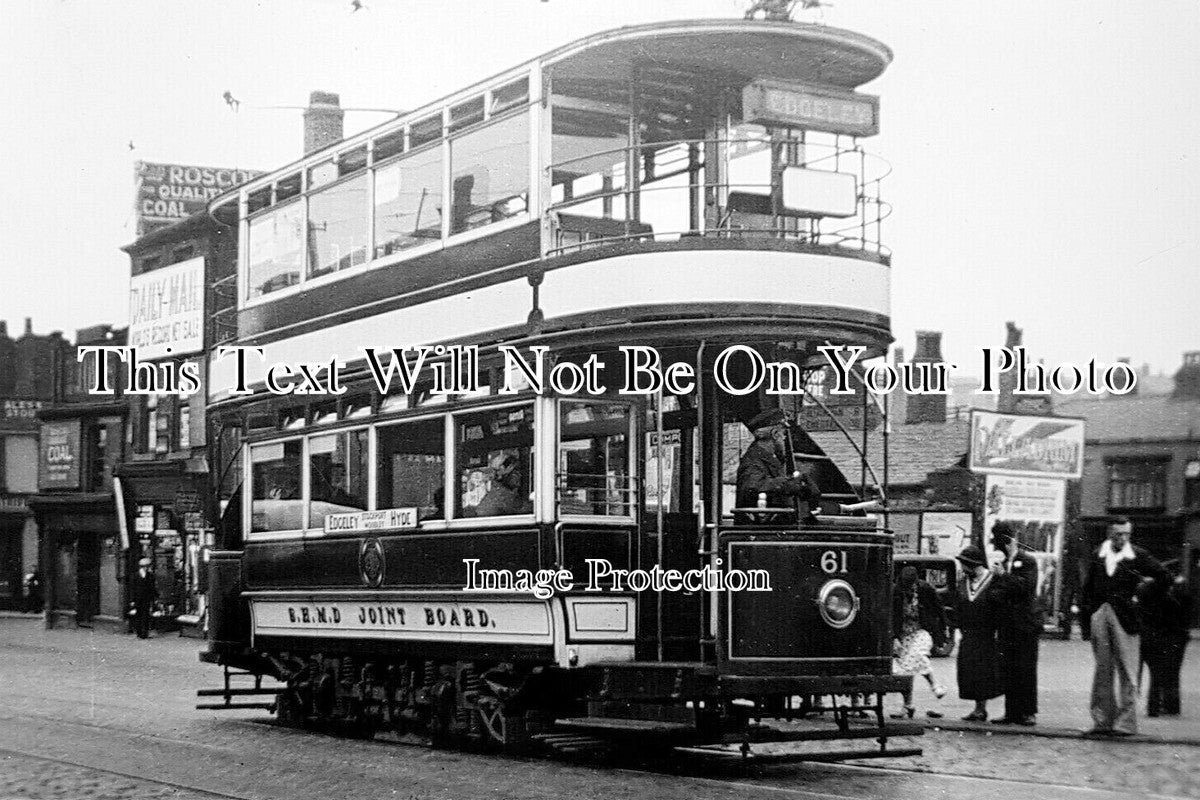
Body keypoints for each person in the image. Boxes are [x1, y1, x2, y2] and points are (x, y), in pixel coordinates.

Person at [1081, 518, 1169, 736]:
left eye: (1127, 534)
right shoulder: (1097, 554)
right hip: (1101, 615)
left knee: (1128, 671)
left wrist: (1142, 596)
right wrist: (1089, 617)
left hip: (1126, 618)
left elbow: (1164, 576)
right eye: (1119, 534)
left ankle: (1126, 723)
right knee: (1102, 670)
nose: (1123, 538)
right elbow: (1087, 587)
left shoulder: (1137, 555)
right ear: (1110, 533)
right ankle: (1102, 721)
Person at [990, 521, 1041, 726]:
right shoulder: (1003, 564)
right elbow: (998, 592)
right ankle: (1011, 712)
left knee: (1026, 669)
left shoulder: (1027, 561)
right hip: (1007, 625)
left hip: (1026, 625)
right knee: (1009, 668)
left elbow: (1025, 587)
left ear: (1009, 541)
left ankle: (1028, 712)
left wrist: (1004, 577)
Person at [734, 408, 820, 519]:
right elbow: (753, 487)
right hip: (761, 530)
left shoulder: (769, 458)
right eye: (783, 434)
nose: (784, 438)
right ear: (775, 434)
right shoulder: (753, 460)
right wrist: (790, 484)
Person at [891, 565, 949, 719]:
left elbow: (938, 608)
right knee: (904, 670)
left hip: (922, 630)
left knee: (918, 655)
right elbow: (892, 615)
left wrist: (943, 629)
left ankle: (935, 685)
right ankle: (908, 705)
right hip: (904, 633)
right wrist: (894, 638)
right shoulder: (896, 591)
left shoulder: (925, 589)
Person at [954, 545, 1004, 721]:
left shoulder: (993, 581)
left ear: (973, 565)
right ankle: (977, 708)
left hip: (986, 634)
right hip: (968, 634)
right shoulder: (963, 583)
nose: (962, 569)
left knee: (983, 671)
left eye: (965, 565)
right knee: (969, 670)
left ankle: (981, 708)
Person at [1140, 568, 1192, 717]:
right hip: (1175, 637)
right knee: (1173, 673)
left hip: (1152, 637)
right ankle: (1171, 706)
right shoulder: (1177, 594)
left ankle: (1154, 707)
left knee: (1155, 674)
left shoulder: (1146, 590)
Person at [131, 557, 156, 639]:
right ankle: (139, 632)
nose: (148, 568)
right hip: (138, 599)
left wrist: (153, 598)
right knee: (138, 615)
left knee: (146, 616)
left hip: (146, 598)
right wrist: (132, 600)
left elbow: (152, 588)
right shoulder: (135, 576)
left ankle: (144, 633)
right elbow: (132, 589)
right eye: (147, 567)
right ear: (143, 567)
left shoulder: (150, 576)